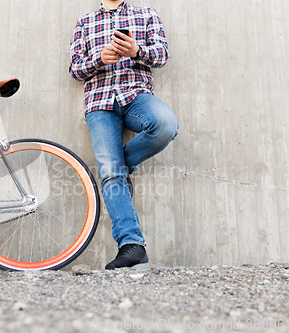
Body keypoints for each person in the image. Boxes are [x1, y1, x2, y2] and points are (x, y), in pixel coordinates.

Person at [69, 0, 178, 270]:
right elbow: (74, 68)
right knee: (110, 172)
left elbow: (162, 55)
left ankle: (119, 168)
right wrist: (99, 59)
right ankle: (132, 246)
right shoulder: (85, 22)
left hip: (136, 96)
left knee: (164, 125)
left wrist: (136, 50)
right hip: (99, 104)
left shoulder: (146, 14)